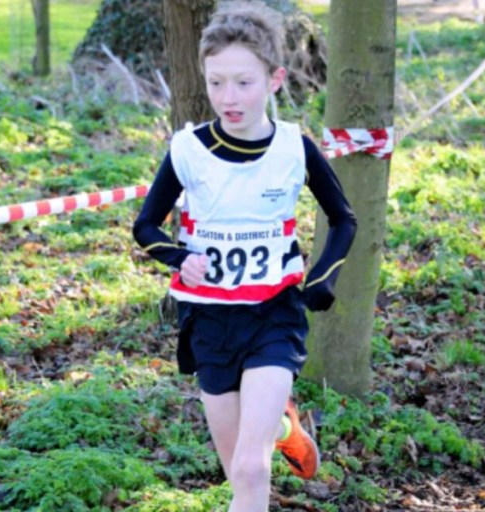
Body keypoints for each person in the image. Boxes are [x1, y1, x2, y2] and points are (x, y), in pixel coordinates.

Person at [132, 2, 357, 510]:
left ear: (275, 80)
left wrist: (321, 278)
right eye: (216, 83)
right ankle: (281, 424)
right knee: (236, 472)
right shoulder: (187, 150)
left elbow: (345, 219)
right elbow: (144, 225)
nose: (228, 98)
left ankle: (272, 420)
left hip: (273, 316)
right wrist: (176, 257)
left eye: (243, 83)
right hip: (209, 321)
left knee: (251, 470)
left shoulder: (295, 149)